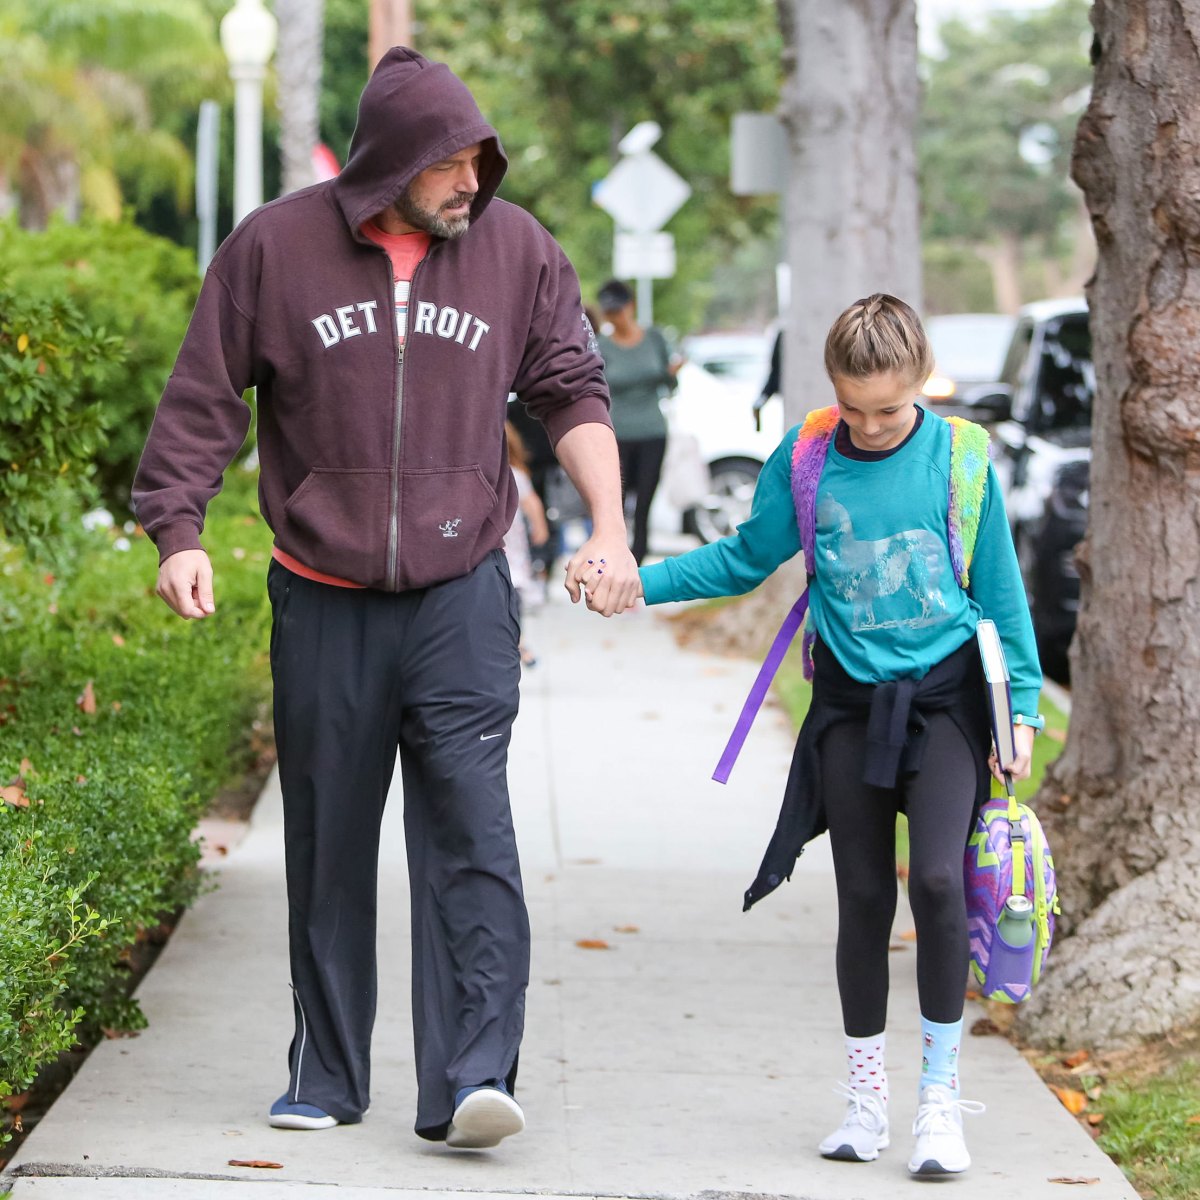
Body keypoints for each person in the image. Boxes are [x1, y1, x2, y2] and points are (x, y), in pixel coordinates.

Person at [132, 47, 638, 1150]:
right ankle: (326, 1072)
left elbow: (570, 390)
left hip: (462, 593)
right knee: (328, 841)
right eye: (453, 163)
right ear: (395, 161)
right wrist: (178, 530)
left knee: (471, 832)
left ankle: (471, 1079)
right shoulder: (275, 247)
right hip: (323, 594)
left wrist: (608, 525)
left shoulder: (514, 250)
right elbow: (204, 395)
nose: (473, 182)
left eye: (481, 160)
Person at [585, 294, 1042, 1176]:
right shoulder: (805, 458)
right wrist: (641, 580)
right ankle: (866, 1100)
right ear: (832, 387)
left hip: (946, 702)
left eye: (890, 408)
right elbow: (744, 556)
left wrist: (1018, 710)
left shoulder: (960, 462)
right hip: (847, 707)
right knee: (865, 898)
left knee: (940, 885)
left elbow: (1003, 596)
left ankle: (939, 1101)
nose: (870, 427)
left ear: (920, 386)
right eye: (854, 407)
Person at [595, 279, 681, 564]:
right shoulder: (602, 345)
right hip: (617, 432)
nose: (615, 318)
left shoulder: (654, 338)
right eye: (609, 313)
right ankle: (615, 559)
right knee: (615, 503)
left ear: (630, 307)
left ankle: (637, 563)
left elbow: (670, 383)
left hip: (652, 430)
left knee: (644, 502)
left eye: (618, 311)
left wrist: (672, 372)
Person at [503, 420, 551, 666]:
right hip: (502, 549)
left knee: (512, 600)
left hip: (511, 550)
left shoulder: (515, 474)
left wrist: (540, 527)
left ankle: (518, 644)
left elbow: (532, 502)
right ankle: (516, 644)